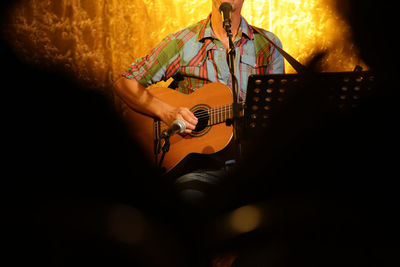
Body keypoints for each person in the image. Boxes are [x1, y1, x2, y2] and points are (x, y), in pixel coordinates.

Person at [113, 0, 284, 210]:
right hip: (195, 169)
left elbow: (275, 116)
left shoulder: (267, 45)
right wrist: (167, 112)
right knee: (189, 205)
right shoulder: (184, 42)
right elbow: (125, 82)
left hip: (250, 168)